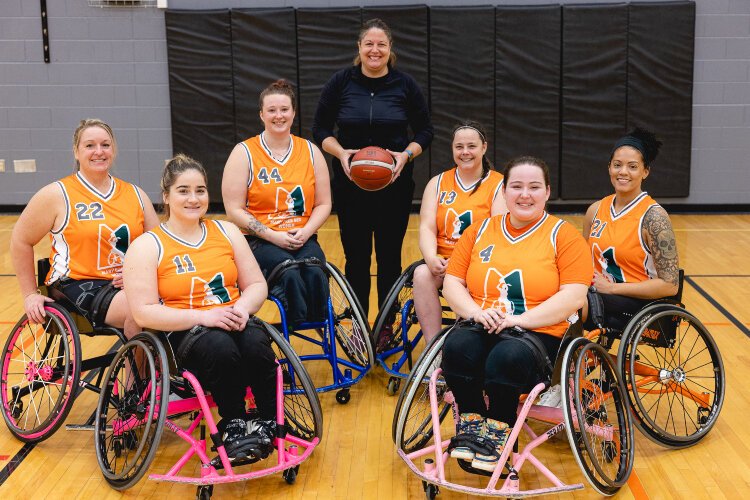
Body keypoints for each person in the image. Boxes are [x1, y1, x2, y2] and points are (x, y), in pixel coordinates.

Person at [440, 156, 592, 472]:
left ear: (547, 192)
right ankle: (470, 427)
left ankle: (497, 434)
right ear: (504, 192)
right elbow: (452, 282)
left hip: (540, 332)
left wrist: (519, 320)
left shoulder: (563, 236)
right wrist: (475, 312)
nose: (525, 194)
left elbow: (574, 296)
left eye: (534, 187)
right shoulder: (480, 230)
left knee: (505, 357)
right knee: (456, 347)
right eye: (517, 186)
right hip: (484, 322)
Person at [124, 154, 277, 461]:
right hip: (184, 334)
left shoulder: (227, 232)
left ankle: (267, 420)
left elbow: (258, 285)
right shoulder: (147, 246)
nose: (193, 198)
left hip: (232, 319)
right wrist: (204, 316)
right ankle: (233, 424)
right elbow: (143, 312)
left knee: (257, 342)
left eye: (200, 190)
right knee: (219, 346)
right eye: (183, 190)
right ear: (166, 196)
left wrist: (244, 308)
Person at [312, 18, 434, 317]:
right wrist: (341, 153)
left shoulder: (405, 85)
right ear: (359, 47)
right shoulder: (341, 82)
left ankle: (386, 324)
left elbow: (425, 131)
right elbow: (320, 128)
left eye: (381, 44)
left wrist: (405, 155)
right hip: (350, 187)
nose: (375, 50)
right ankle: (357, 324)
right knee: (356, 258)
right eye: (369, 44)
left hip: (394, 186)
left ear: (390, 48)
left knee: (390, 257)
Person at [10, 119, 158, 339]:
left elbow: (159, 246)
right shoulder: (57, 194)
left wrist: (135, 274)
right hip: (76, 287)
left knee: (175, 300)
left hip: (127, 283)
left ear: (113, 149)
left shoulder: (136, 194)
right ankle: (136, 375)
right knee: (142, 308)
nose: (99, 151)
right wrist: (30, 294)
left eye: (105, 145)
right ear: (76, 152)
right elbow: (20, 240)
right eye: (90, 145)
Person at [223, 80, 332, 327]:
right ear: (262, 114)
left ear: (293, 113)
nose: (278, 115)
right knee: (289, 272)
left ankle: (321, 327)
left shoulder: (310, 151)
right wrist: (272, 236)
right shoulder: (244, 152)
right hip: (259, 240)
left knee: (315, 269)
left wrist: (306, 231)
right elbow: (233, 209)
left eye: (284, 109)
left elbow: (324, 203)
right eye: (272, 110)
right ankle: (293, 331)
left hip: (301, 235)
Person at [412, 121, 506, 346]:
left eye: (471, 146)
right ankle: (433, 349)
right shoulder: (438, 183)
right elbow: (426, 226)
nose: (465, 152)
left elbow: (495, 235)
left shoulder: (498, 184)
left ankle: (460, 350)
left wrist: (461, 264)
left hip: (478, 262)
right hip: (443, 262)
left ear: (484, 147)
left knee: (467, 283)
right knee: (422, 274)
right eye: (459, 147)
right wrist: (431, 257)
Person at [583, 127, 679, 332]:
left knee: (574, 303)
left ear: (645, 172)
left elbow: (670, 285)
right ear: (609, 168)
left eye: (632, 167)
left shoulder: (654, 218)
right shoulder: (595, 210)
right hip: (596, 296)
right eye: (617, 165)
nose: (623, 172)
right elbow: (581, 261)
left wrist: (611, 288)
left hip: (637, 306)